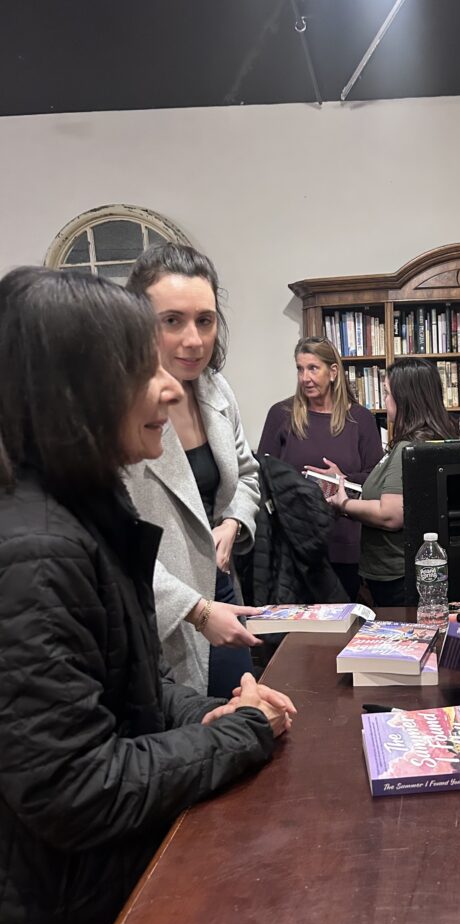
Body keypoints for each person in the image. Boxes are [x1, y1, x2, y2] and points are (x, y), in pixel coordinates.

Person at [0, 267, 296, 924]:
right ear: (77, 391)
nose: (170, 388)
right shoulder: (36, 552)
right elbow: (74, 788)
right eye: (145, 369)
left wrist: (202, 713)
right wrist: (238, 735)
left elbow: (126, 687)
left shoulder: (81, 514)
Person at [125, 244, 261, 699]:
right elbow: (112, 540)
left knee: (240, 714)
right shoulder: (116, 409)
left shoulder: (216, 389)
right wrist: (196, 610)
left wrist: (233, 522)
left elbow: (248, 474)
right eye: (172, 321)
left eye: (204, 320)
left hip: (223, 590)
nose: (193, 339)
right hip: (162, 612)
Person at [257, 337, 383, 601]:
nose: (305, 377)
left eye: (313, 368)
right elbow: (262, 475)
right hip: (294, 545)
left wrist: (342, 480)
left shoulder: (360, 419)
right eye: (300, 369)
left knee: (342, 626)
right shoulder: (281, 414)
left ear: (333, 372)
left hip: (344, 544)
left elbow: (375, 480)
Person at [326, 357, 458, 607]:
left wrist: (343, 503)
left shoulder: (408, 448)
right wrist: (346, 482)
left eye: (387, 393)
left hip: (397, 576)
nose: (384, 401)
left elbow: (391, 514)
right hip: (404, 570)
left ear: (405, 397)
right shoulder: (431, 440)